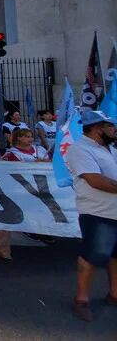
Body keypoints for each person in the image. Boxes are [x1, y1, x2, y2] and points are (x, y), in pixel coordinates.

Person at [64, 110, 117, 321]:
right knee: (92, 256)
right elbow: (96, 181)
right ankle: (82, 299)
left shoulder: (110, 149)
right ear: (97, 128)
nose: (114, 130)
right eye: (110, 126)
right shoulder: (80, 150)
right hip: (98, 213)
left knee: (115, 256)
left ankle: (114, 294)